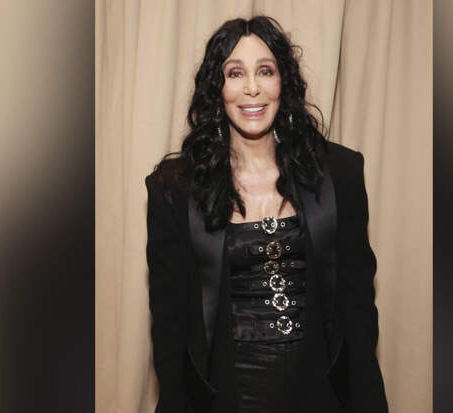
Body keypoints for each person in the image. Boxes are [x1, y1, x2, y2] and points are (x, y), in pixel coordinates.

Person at [145, 16, 387, 413]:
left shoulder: (340, 172)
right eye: (235, 73)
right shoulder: (174, 189)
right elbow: (170, 326)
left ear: (283, 81)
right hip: (223, 399)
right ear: (216, 87)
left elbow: (358, 311)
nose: (252, 88)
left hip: (321, 397)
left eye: (265, 71)